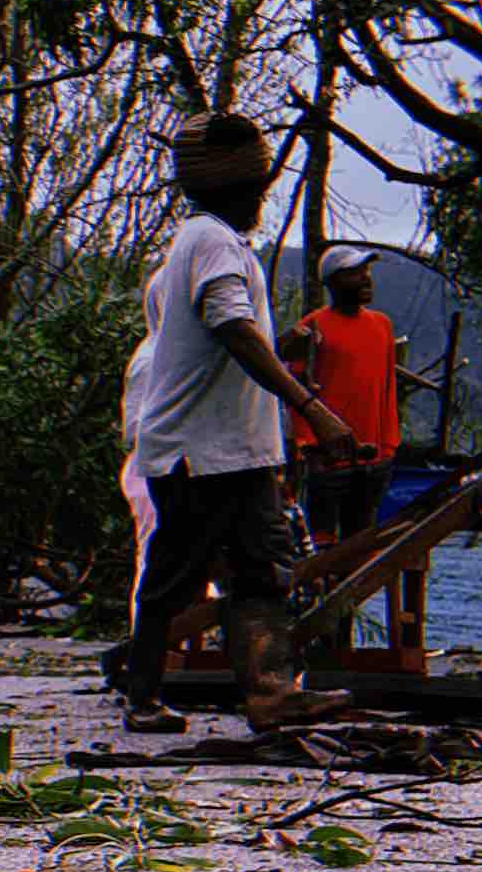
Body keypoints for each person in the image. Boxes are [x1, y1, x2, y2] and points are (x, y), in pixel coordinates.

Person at [117, 110, 363, 735]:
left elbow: (237, 334)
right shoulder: (211, 242)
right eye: (257, 188)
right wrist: (312, 408)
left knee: (263, 569)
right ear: (238, 188)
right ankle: (142, 695)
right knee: (175, 576)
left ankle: (272, 693)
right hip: (200, 453)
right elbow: (233, 330)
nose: (262, 198)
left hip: (236, 450)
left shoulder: (206, 243)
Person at [286, 245, 403, 548]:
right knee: (323, 544)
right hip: (328, 458)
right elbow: (295, 389)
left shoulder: (382, 325)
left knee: (361, 541)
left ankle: (353, 594)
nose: (366, 279)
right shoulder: (313, 327)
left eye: (366, 272)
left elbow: (388, 387)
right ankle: (323, 593)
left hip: (373, 456)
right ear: (332, 283)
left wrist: (389, 444)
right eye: (354, 273)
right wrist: (307, 445)